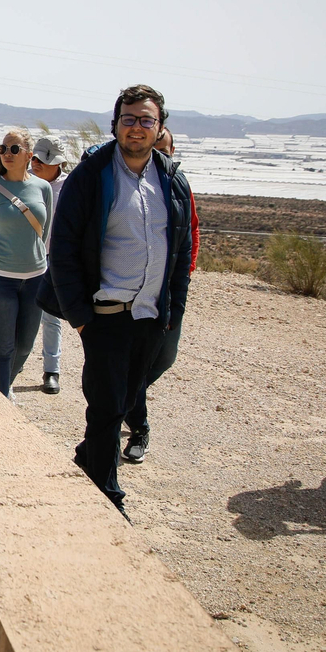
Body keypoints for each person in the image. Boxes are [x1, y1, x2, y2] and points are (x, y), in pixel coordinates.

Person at [42, 85, 194, 520]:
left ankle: (85, 457)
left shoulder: (172, 178)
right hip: (105, 315)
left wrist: (174, 308)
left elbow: (181, 247)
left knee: (126, 400)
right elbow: (63, 249)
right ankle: (108, 499)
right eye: (129, 119)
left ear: (160, 128)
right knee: (107, 408)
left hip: (151, 314)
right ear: (115, 125)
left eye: (146, 120)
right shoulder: (92, 176)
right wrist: (80, 317)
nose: (137, 127)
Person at [119, 128, 202, 463]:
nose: (159, 156)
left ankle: (123, 400)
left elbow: (191, 230)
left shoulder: (178, 184)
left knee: (164, 357)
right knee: (132, 361)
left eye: (164, 150)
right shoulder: (129, 183)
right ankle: (139, 428)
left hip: (167, 290)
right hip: (131, 291)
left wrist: (186, 270)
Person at [0, 128, 53, 400]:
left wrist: (35, 258)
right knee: (4, 347)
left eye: (14, 149)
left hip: (36, 279)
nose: (7, 154)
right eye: (3, 149)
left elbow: (44, 232)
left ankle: (2, 387)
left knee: (25, 346)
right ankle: (2, 401)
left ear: (29, 155)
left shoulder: (43, 188)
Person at [29, 135, 69, 395]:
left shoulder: (71, 186)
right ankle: (15, 360)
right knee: (21, 312)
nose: (37, 163)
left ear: (58, 163)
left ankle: (51, 370)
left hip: (56, 259)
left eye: (44, 159)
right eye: (35, 158)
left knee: (51, 317)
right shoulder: (23, 181)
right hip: (25, 257)